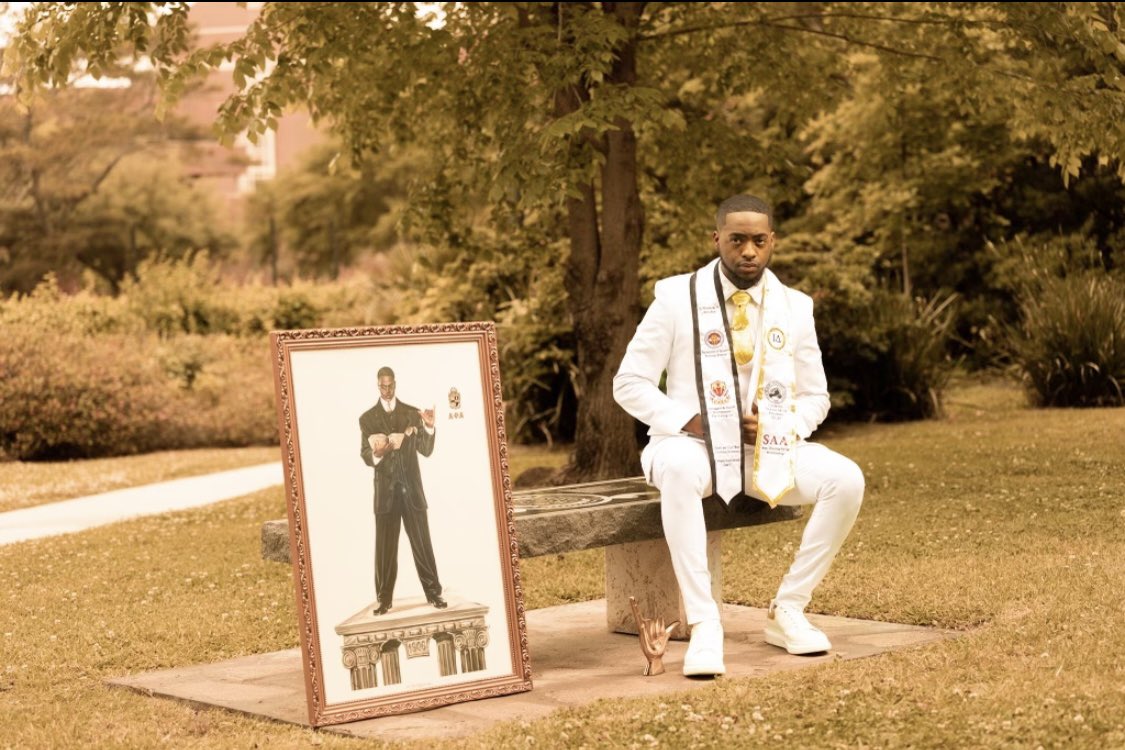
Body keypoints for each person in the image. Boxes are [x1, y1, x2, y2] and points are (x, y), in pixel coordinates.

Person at [613, 194, 864, 677]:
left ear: (773, 242)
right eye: (737, 240)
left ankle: (788, 609)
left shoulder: (795, 306)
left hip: (765, 450)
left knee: (846, 479)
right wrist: (689, 421)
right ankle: (706, 624)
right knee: (683, 470)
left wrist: (780, 426)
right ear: (717, 240)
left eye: (759, 240)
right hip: (689, 447)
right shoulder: (675, 297)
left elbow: (816, 397)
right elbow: (628, 383)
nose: (748, 251)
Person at [359, 366, 447, 615]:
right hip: (385, 495)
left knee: (422, 543)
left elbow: (426, 450)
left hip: (412, 493)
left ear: (395, 384)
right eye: (383, 386)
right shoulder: (366, 418)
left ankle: (434, 594)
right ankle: (383, 600)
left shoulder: (411, 413)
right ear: (378, 385)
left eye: (390, 386)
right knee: (385, 549)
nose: (387, 391)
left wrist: (429, 427)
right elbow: (365, 455)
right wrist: (377, 453)